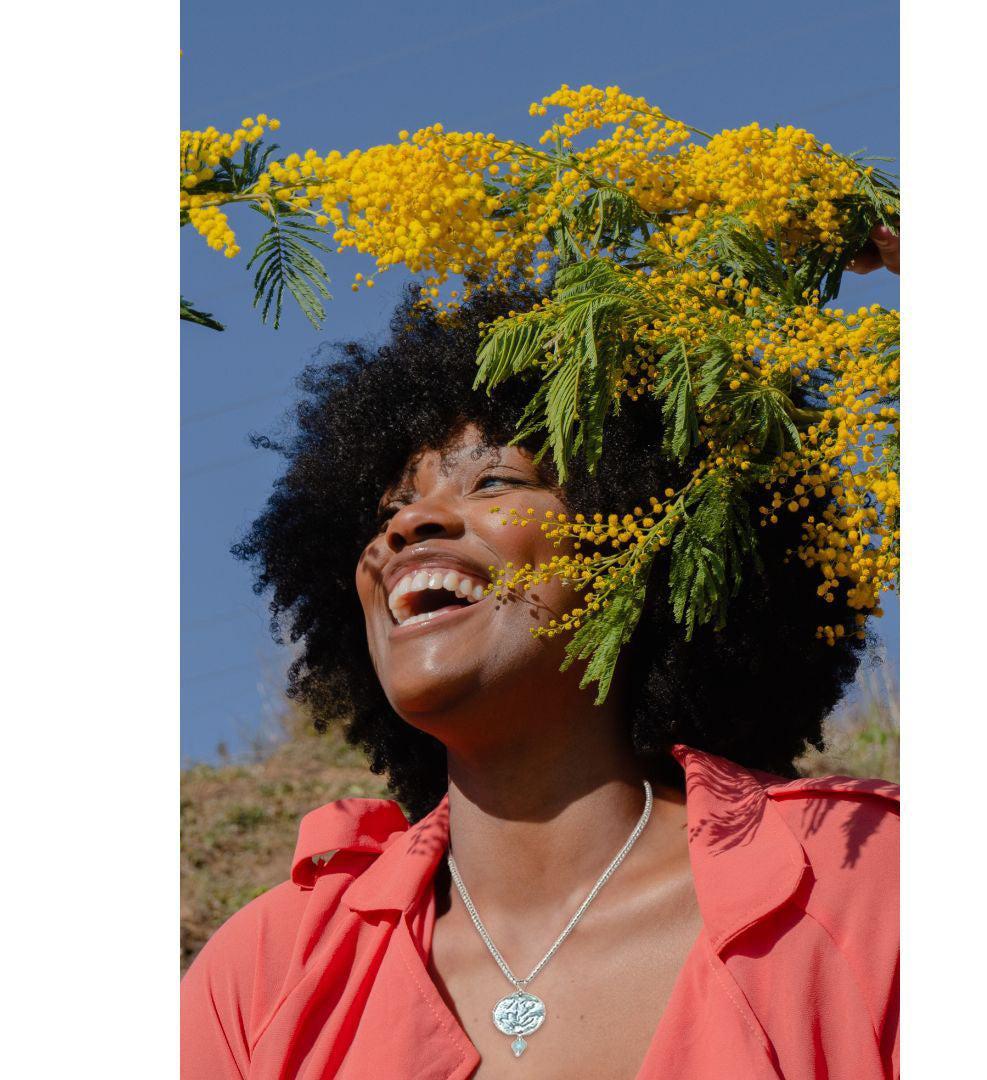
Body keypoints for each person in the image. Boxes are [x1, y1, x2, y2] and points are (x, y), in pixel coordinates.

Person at [181, 230, 901, 1079]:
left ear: (645, 543)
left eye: (493, 482)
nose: (407, 526)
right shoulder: (263, 977)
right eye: (391, 508)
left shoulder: (875, 887)